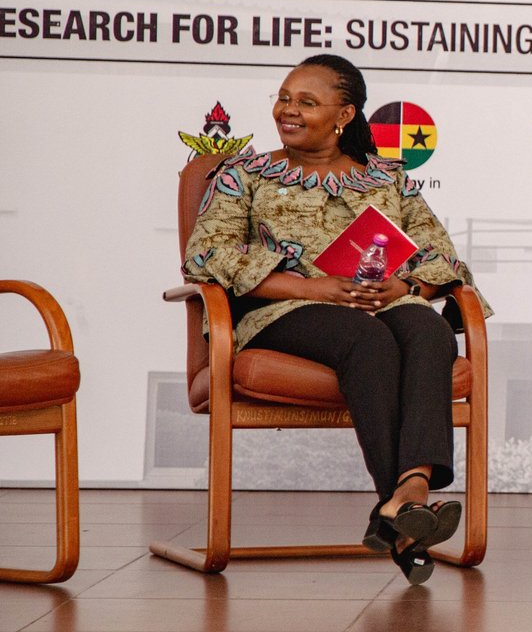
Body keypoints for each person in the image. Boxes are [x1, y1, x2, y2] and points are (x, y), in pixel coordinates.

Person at [181, 53, 487, 585]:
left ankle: (409, 492)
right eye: (284, 98)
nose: (287, 110)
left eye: (306, 102)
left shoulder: (386, 179)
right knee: (366, 339)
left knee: (428, 328)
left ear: (344, 115)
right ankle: (402, 510)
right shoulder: (243, 174)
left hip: (382, 301)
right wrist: (309, 286)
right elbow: (208, 255)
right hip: (282, 309)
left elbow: (443, 255)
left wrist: (407, 285)